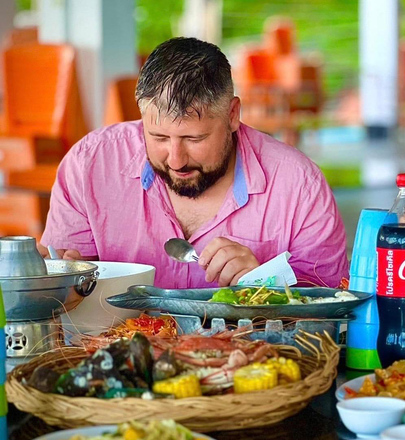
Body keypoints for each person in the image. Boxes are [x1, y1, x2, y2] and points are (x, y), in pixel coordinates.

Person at [40, 37, 348, 289]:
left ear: (232, 115)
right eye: (159, 137)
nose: (176, 160)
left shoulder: (297, 184)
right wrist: (53, 280)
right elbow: (64, 297)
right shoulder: (90, 165)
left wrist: (265, 284)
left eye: (194, 139)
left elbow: (331, 305)